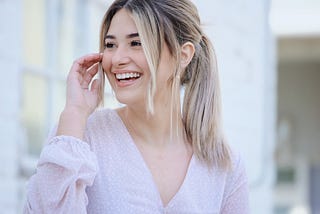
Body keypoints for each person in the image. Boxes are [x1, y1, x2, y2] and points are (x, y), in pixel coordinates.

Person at [24, 0, 249, 213]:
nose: (117, 58)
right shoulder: (78, 137)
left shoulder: (225, 165)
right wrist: (74, 112)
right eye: (110, 45)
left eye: (136, 43)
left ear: (183, 55)